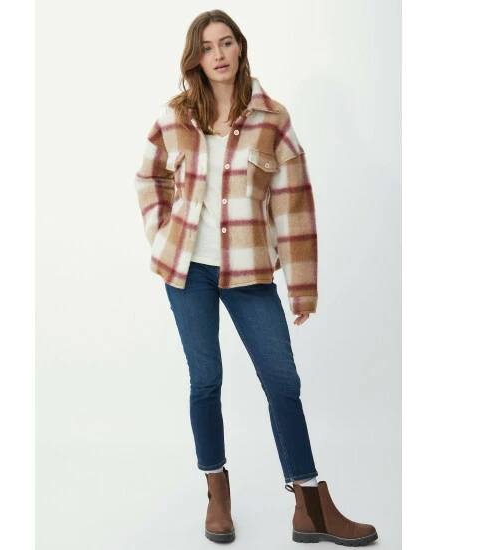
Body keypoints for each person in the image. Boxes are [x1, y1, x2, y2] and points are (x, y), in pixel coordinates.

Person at [133, 9, 378, 546]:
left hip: (249, 272)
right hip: (186, 271)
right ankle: (217, 493)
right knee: (206, 380)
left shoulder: (273, 119)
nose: (218, 54)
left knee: (282, 381)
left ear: (240, 47)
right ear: (196, 58)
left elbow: (294, 206)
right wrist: (163, 232)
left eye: (226, 43)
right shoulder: (176, 116)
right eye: (206, 47)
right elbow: (148, 176)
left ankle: (309, 505)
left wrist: (302, 287)